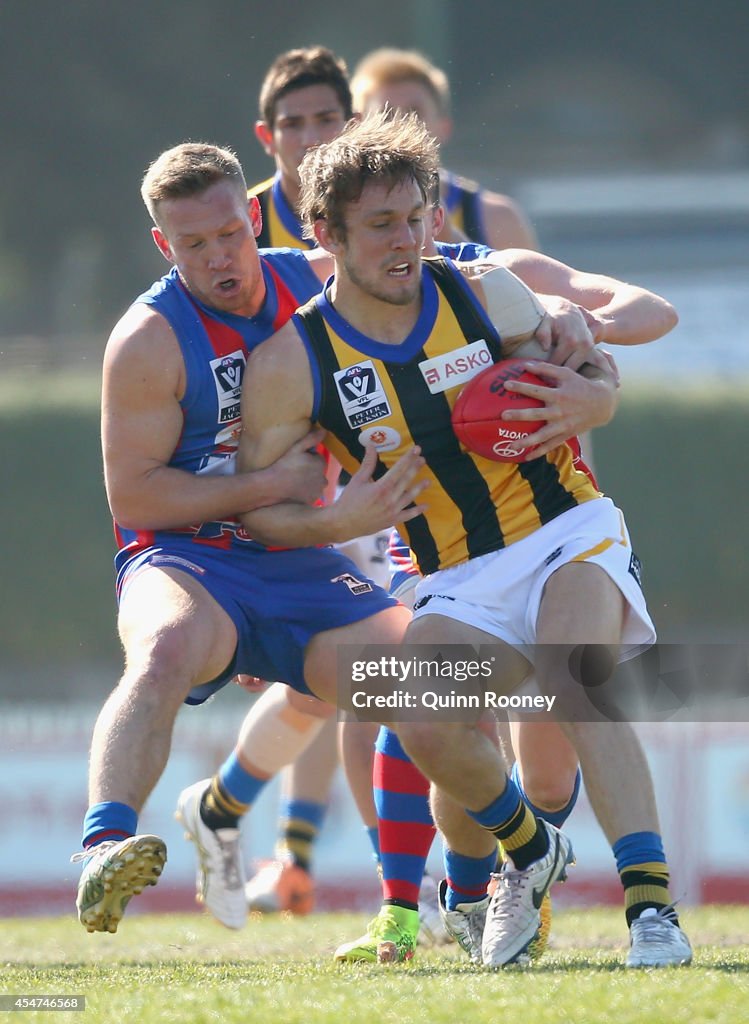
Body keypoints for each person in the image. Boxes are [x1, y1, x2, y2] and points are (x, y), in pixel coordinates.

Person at [233, 110, 692, 969]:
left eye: (417, 216)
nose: (405, 240)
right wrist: (332, 524)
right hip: (455, 574)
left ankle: (651, 913)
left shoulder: (484, 290)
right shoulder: (292, 364)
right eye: (379, 225)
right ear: (323, 232)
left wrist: (596, 394)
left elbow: (588, 366)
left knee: (574, 676)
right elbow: (262, 510)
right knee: (422, 720)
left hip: (564, 530)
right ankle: (525, 853)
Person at [72, 139, 426, 935]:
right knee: (163, 650)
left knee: (425, 682)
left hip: (296, 553)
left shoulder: (313, 279)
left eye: (229, 234)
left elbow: (454, 270)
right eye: (193, 244)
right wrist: (268, 486)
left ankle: (483, 879)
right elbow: (134, 495)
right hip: (183, 556)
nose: (219, 257)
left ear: (253, 216)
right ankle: (103, 848)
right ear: (165, 245)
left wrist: (565, 310)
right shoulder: (147, 338)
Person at [350, 47, 537, 251]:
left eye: (414, 112)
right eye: (387, 114)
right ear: (358, 128)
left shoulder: (498, 218)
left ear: (444, 127)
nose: (401, 125)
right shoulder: (339, 221)